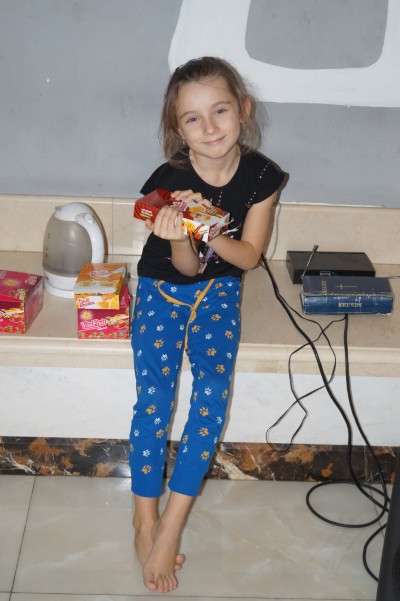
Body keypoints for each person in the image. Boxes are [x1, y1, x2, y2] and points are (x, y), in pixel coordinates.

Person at [129, 56, 285, 593]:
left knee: (212, 393)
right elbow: (186, 268)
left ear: (243, 109)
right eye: (192, 118)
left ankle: (172, 523)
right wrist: (181, 233)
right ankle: (144, 518)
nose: (210, 127)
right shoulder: (168, 181)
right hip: (163, 285)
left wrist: (210, 228)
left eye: (220, 110)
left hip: (221, 288)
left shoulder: (263, 176)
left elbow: (249, 257)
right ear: (178, 129)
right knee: (154, 395)